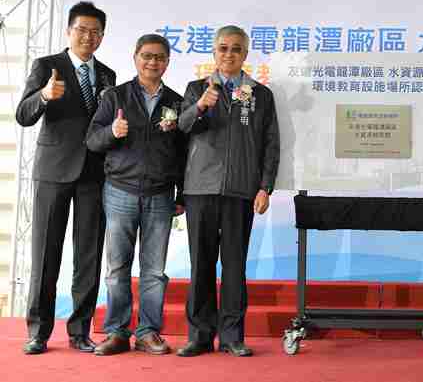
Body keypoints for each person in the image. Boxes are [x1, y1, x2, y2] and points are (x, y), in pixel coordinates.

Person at [16, 1, 116, 354]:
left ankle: (80, 331)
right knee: (46, 254)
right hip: (53, 171)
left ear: (102, 36)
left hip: (94, 174)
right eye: (82, 30)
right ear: (68, 31)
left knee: (88, 255)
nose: (88, 37)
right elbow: (23, 114)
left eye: (95, 32)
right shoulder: (47, 66)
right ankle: (38, 331)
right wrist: (44, 96)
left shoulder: (108, 75)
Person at [176, 25, 280, 357]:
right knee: (201, 264)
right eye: (223, 48)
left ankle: (233, 335)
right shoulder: (196, 89)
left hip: (241, 190)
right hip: (200, 188)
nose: (229, 54)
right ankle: (199, 335)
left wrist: (265, 186)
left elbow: (270, 144)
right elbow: (181, 128)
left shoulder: (259, 94)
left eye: (236, 49)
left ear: (245, 54)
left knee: (234, 265)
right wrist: (200, 106)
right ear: (214, 52)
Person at [86, 34, 187, 356]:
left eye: (159, 57)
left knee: (154, 272)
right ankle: (116, 332)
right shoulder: (115, 96)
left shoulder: (176, 102)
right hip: (120, 191)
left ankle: (147, 332)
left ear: (167, 62)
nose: (152, 62)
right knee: (117, 268)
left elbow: (184, 153)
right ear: (135, 58)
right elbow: (92, 140)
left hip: (160, 195)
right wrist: (111, 133)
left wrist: (182, 195)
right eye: (146, 56)